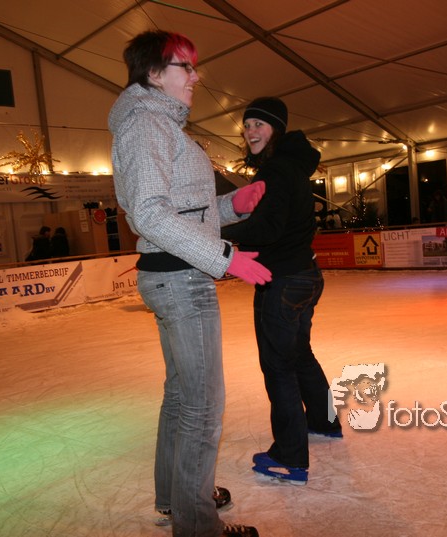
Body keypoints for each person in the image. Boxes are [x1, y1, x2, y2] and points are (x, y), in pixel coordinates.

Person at [108, 30, 269, 537]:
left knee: (182, 398)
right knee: (202, 406)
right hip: (181, 279)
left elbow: (181, 209)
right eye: (186, 66)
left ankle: (177, 499)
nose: (196, 76)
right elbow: (150, 214)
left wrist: (230, 207)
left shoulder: (156, 122)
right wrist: (225, 258)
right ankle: (197, 525)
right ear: (154, 73)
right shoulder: (147, 123)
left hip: (174, 274)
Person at [221, 97, 343, 486]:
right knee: (299, 354)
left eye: (259, 124)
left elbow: (268, 228)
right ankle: (324, 420)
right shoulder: (292, 167)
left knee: (279, 366)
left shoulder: (275, 170)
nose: (250, 131)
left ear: (277, 128)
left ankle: (290, 457)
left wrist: (218, 233)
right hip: (306, 274)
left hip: (284, 281)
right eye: (247, 125)